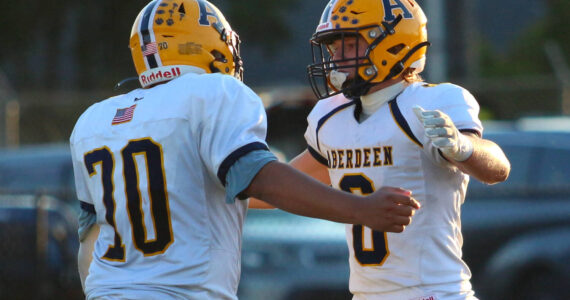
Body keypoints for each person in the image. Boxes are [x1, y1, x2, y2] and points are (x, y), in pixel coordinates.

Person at [69, 1, 420, 299]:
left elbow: (90, 241)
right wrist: (360, 209)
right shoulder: (213, 92)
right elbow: (260, 179)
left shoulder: (93, 120)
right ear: (206, 43)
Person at [286, 0, 511, 299]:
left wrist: (463, 147)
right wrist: (219, 184)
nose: (336, 57)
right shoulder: (331, 116)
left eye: (348, 44)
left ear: (393, 42)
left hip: (432, 292)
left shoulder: (432, 101)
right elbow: (283, 185)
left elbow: (498, 168)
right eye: (331, 47)